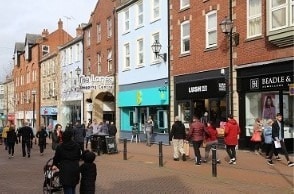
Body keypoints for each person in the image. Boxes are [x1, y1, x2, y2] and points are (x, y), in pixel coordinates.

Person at [52, 130, 81, 194]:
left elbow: (56, 158)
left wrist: (54, 165)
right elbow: (79, 157)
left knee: (67, 188)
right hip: (74, 168)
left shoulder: (60, 147)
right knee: (73, 188)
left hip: (65, 169)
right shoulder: (77, 146)